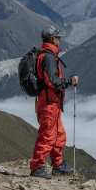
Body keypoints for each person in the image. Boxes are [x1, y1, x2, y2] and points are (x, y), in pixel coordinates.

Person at [29, 26, 79, 179]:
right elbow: (52, 81)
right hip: (49, 103)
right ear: (52, 39)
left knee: (59, 135)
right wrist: (68, 81)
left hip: (51, 102)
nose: (59, 40)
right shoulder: (49, 57)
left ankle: (57, 164)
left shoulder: (45, 54)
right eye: (58, 37)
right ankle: (37, 167)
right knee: (48, 135)